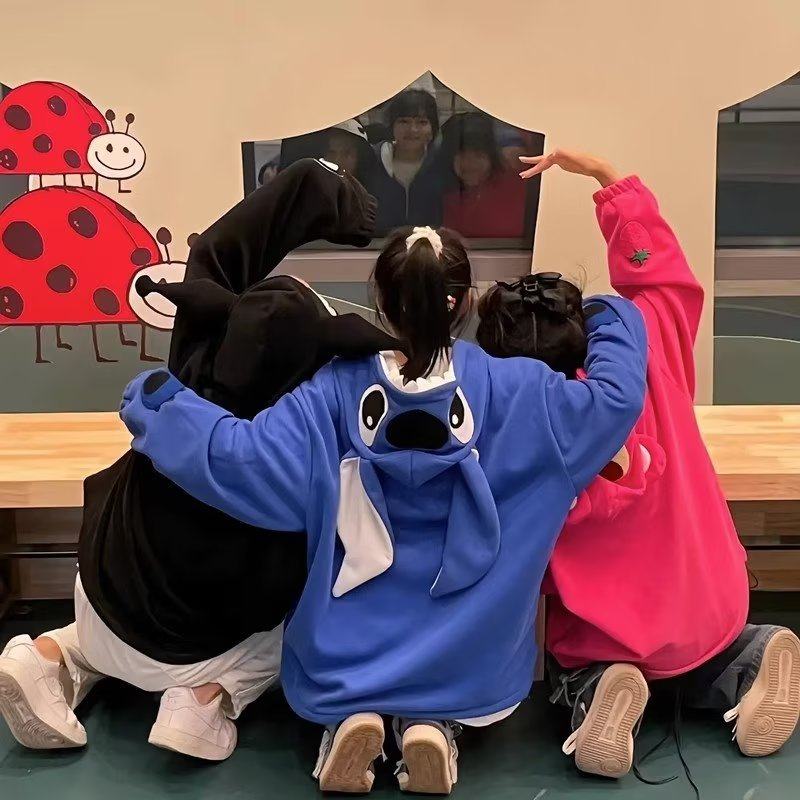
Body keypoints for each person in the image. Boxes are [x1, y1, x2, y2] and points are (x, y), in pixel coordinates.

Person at [116, 218, 647, 794]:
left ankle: (351, 722)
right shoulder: (527, 394)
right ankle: (434, 729)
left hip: (343, 661)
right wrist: (608, 314)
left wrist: (159, 404)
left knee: (338, 685)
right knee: (452, 694)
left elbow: (239, 458)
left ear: (384, 303)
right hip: (471, 665)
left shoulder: (331, 391)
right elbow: (616, 398)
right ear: (466, 303)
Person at [0, 159, 398, 762]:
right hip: (197, 650)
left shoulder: (189, 363)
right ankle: (204, 702)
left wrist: (325, 190)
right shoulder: (296, 443)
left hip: (103, 592)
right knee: (298, 618)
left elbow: (216, 248)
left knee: (117, 614)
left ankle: (49, 656)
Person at [476, 149, 800, 780]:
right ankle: (752, 657)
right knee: (714, 652)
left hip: (606, 629)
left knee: (578, 660)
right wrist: (610, 182)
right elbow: (664, 281)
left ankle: (601, 688)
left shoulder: (519, 428)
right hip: (706, 602)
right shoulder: (649, 346)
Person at [441, 113, 527, 238]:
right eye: (462, 155)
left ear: (491, 156)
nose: (470, 164)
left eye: (478, 155)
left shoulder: (517, 184)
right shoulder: (447, 195)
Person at [371, 89, 443, 232]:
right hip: (377, 244)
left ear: (432, 128)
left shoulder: (441, 163)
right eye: (404, 121)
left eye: (422, 122)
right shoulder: (372, 159)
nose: (413, 129)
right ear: (392, 125)